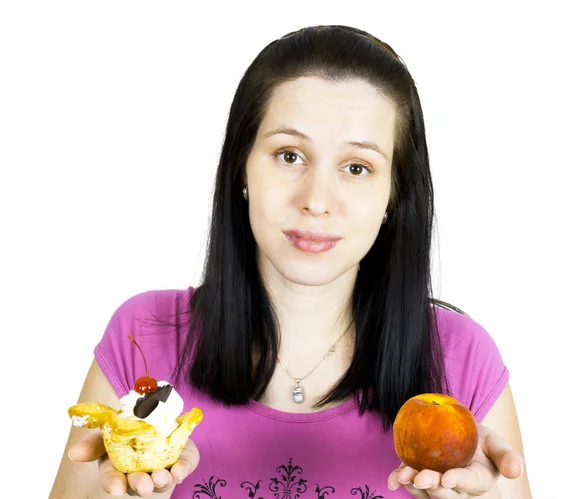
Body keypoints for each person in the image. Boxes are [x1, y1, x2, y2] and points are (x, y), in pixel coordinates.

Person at [50, 25, 532, 499]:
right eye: (289, 155)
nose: (317, 199)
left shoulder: (461, 361)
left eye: (357, 167)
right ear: (242, 165)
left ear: (394, 194)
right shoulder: (144, 338)